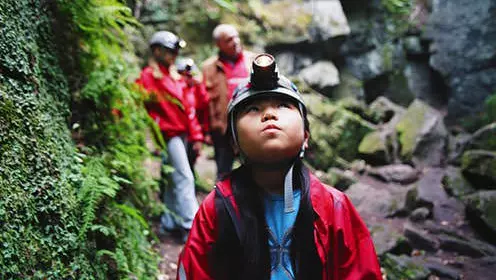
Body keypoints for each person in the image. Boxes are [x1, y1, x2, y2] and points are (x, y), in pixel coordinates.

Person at [177, 54, 382, 279]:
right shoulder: (216, 209)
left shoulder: (333, 207)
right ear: (234, 143)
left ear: (305, 136)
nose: (269, 114)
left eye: (283, 105)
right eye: (253, 109)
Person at [136, 31, 203, 243]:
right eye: (170, 51)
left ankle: (169, 222)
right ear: (157, 50)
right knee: (184, 177)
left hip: (181, 133)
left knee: (173, 179)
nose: (174, 55)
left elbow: (188, 108)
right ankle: (191, 225)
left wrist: (196, 135)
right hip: (167, 135)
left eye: (176, 51)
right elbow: (133, 101)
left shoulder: (175, 78)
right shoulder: (148, 76)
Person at [202, 24, 257, 180]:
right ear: (218, 44)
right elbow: (204, 100)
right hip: (222, 129)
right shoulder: (208, 67)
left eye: (236, 36)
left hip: (251, 125)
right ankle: (222, 202)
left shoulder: (254, 60)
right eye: (229, 39)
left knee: (255, 170)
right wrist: (205, 130)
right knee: (223, 172)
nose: (235, 41)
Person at [177, 57, 211, 171]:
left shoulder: (196, 89)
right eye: (184, 75)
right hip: (179, 131)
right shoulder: (178, 88)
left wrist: (199, 85)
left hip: (193, 131)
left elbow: (205, 103)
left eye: (190, 75)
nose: (187, 78)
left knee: (190, 160)